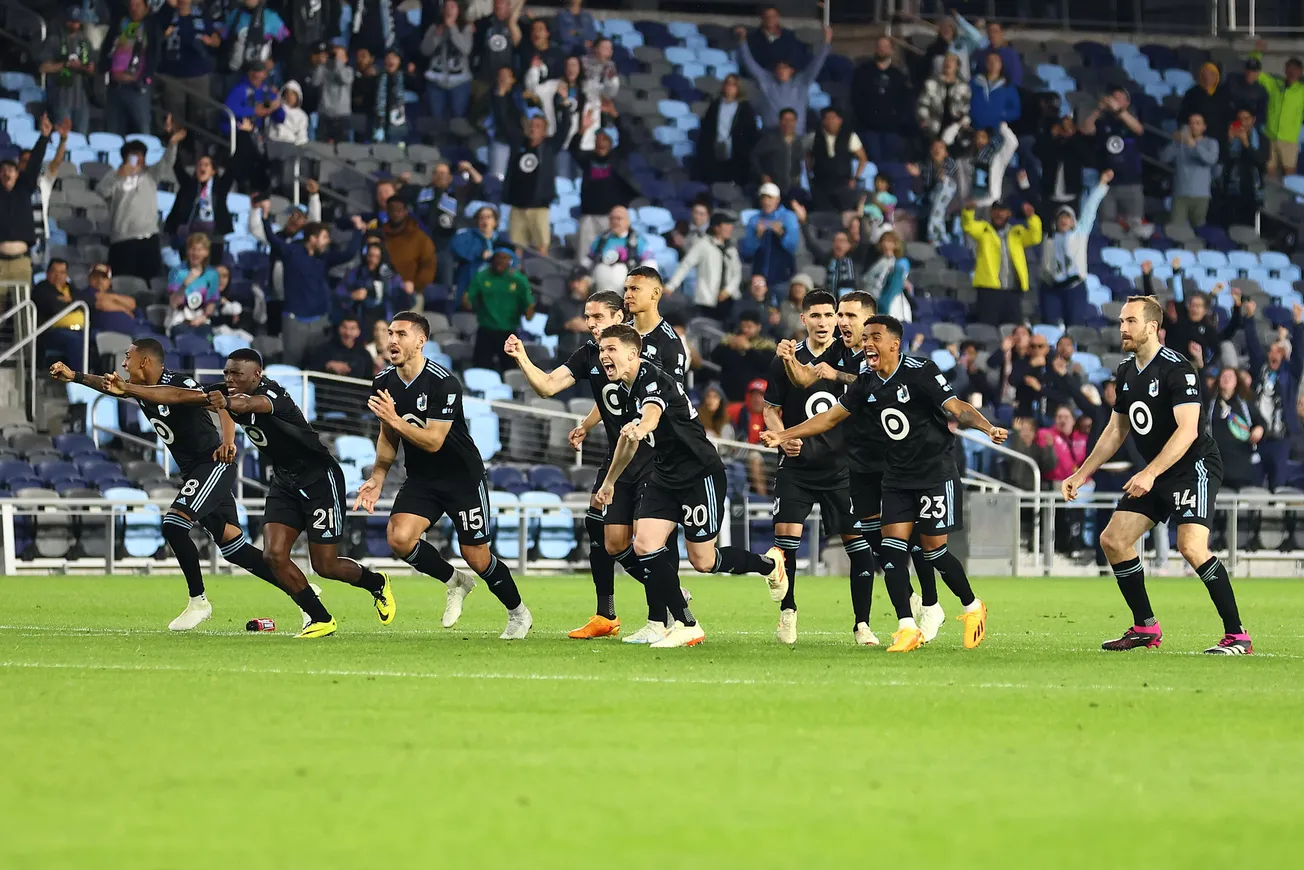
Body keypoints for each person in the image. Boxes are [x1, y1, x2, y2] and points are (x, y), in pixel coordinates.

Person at [763, 314, 1006, 652]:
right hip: (897, 477)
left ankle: (972, 605)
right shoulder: (866, 382)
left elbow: (957, 408)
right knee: (891, 551)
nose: (867, 344)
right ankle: (906, 626)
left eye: (874, 337)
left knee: (934, 552)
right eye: (865, 339)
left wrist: (988, 427)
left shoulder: (921, 371)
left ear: (894, 343)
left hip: (934, 473)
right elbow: (829, 418)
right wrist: (783, 434)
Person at [49, 342, 312, 633]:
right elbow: (110, 386)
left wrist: (228, 442)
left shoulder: (179, 384)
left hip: (213, 465)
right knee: (234, 549)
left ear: (145, 362)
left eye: (128, 357)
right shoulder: (140, 388)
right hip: (194, 472)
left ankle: (198, 602)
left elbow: (221, 403)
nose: (124, 363)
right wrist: (74, 376)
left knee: (174, 525)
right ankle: (303, 593)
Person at [1062, 295, 1251, 655]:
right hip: (1157, 471)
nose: (1122, 328)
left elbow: (1188, 430)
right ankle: (1145, 627)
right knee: (1114, 540)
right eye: (1121, 321)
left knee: (1191, 546)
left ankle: (1237, 635)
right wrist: (1083, 473)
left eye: (1130, 321)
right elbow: (1116, 430)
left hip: (1193, 466)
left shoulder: (1178, 369)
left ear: (1152, 327)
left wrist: (1149, 472)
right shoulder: (1126, 371)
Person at [594, 324, 787, 649]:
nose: (603, 356)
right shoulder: (625, 389)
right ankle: (686, 624)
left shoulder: (652, 379)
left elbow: (651, 416)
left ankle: (769, 564)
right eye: (601, 350)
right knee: (645, 546)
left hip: (700, 474)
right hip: (664, 475)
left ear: (632, 353)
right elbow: (628, 440)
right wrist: (610, 481)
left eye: (611, 349)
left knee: (703, 561)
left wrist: (642, 428)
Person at [355, 312, 530, 637]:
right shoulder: (383, 382)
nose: (392, 340)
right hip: (423, 478)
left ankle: (518, 613)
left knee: (477, 556)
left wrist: (394, 419)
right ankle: (455, 581)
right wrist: (378, 476)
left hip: (461, 477)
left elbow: (433, 441)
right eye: (390, 333)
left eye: (401, 334)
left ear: (421, 341)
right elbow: (388, 434)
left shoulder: (443, 382)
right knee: (399, 538)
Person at [778, 292, 939, 643]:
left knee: (912, 538)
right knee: (880, 540)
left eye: (850, 316)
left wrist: (838, 375)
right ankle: (906, 605)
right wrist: (790, 360)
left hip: (897, 459)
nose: (841, 322)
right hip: (860, 463)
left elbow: (876, 384)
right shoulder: (839, 350)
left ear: (870, 322)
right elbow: (806, 380)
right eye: (840, 315)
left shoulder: (877, 356)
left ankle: (929, 603)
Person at [502, 290, 638, 636]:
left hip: (652, 455)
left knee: (649, 537)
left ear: (619, 318)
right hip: (618, 453)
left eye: (598, 317)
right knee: (597, 525)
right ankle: (606, 615)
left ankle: (669, 602)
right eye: (587, 317)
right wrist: (522, 358)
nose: (590, 323)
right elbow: (548, 387)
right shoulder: (589, 354)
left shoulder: (640, 352)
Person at [762, 290, 869, 644]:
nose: (824, 322)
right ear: (803, 319)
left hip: (842, 467)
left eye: (830, 315)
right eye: (816, 315)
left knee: (859, 547)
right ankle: (788, 613)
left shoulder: (851, 355)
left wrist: (838, 374)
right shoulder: (786, 358)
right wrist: (783, 439)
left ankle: (862, 624)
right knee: (786, 545)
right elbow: (769, 409)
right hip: (798, 466)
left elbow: (867, 386)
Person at [260, 201, 366, 366]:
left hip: (319, 322)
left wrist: (358, 231)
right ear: (313, 238)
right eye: (324, 237)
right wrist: (265, 216)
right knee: (292, 364)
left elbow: (349, 254)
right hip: (294, 321)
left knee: (317, 364)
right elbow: (272, 238)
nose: (327, 242)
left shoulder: (325, 258)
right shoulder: (292, 252)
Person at [98, 127, 184, 281]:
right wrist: (119, 175)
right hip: (123, 239)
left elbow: (167, 162)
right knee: (123, 281)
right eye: (134, 155)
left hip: (149, 238)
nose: (138, 159)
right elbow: (102, 191)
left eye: (141, 155)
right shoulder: (113, 176)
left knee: (149, 281)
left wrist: (172, 144)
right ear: (125, 157)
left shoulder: (151, 174)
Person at [496, 93, 571, 255]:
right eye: (531, 125)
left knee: (541, 247)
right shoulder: (518, 143)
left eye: (538, 126)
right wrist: (501, 97)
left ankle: (541, 271)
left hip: (539, 207)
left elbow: (564, 128)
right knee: (516, 248)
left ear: (544, 130)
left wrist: (564, 105)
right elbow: (504, 121)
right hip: (517, 206)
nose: (533, 128)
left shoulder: (550, 146)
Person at [1242, 299, 1304, 490]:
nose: (1274, 353)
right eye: (1272, 350)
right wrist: (1249, 317)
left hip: (1281, 439)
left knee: (1278, 484)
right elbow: (1252, 345)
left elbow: (1299, 352)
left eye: (1279, 351)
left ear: (1285, 356)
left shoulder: (1290, 373)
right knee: (1255, 483)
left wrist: (1298, 323)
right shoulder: (1261, 368)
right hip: (1259, 437)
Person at [1040, 170, 1112, 326]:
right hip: (1052, 287)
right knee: (1050, 327)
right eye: (1061, 217)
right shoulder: (1049, 237)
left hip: (1075, 287)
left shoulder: (1080, 233)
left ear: (1073, 221)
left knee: (1074, 327)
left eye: (1068, 217)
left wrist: (1101, 184)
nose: (1064, 220)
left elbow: (1090, 208)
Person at [734, 25, 831, 134]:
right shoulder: (767, 80)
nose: (781, 71)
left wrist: (826, 43)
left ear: (792, 70)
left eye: (785, 68)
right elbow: (750, 64)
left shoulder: (802, 82)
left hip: (796, 136)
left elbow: (816, 65)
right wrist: (742, 41)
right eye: (778, 68)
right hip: (771, 136)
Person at [962, 198, 1042, 326]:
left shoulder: (1017, 232)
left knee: (1012, 329)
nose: (998, 214)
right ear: (991, 212)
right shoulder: (983, 229)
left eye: (1002, 211)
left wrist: (1032, 218)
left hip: (1013, 291)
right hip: (989, 290)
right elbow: (968, 226)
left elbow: (1035, 237)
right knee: (988, 328)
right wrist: (968, 211)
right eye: (996, 210)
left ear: (1009, 213)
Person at [1082, 87, 1147, 236]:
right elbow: (1086, 130)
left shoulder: (1132, 119)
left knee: (1135, 225)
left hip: (1131, 182)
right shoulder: (1103, 121)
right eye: (1113, 98)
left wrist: (1119, 111)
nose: (1114, 102)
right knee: (1108, 226)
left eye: (1118, 99)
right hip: (1108, 183)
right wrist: (1098, 109)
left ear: (1127, 102)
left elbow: (1139, 129)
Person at [464, 245, 534, 371]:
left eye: (505, 258)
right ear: (493, 259)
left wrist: (529, 310)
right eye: (498, 257)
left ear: (511, 261)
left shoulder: (519, 279)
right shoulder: (481, 276)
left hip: (509, 332)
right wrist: (467, 301)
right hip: (486, 330)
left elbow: (528, 305)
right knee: (481, 368)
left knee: (510, 370)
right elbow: (469, 298)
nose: (501, 261)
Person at [0, 115, 51, 286]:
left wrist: (44, 137)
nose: (7, 173)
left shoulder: (25, 188)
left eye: (11, 170)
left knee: (22, 301)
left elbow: (34, 162)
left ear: (18, 174)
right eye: (3, 170)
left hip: (21, 262)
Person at [101, 0, 161, 135]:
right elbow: (107, 47)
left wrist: (146, 78)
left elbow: (155, 54)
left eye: (138, 5)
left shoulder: (151, 25)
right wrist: (103, 67)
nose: (133, 9)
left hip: (137, 88)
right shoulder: (120, 23)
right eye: (131, 5)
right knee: (112, 132)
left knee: (142, 129)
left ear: (146, 8)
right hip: (115, 86)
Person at [666, 212, 741, 320]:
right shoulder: (703, 244)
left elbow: (737, 273)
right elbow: (686, 265)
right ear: (717, 227)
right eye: (727, 225)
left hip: (730, 299)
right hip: (708, 299)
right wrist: (671, 286)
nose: (731, 228)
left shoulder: (731, 248)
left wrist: (728, 290)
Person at [850, 38, 911, 164]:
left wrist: (896, 121)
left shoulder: (899, 75)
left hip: (892, 130)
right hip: (868, 128)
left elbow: (905, 103)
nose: (882, 49)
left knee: (892, 163)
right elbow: (856, 100)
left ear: (892, 50)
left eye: (885, 46)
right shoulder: (862, 72)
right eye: (879, 46)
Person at [165, 154, 234, 263]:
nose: (202, 167)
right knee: (189, 267)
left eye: (206, 165)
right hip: (191, 233)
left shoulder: (220, 187)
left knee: (212, 268)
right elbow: (177, 166)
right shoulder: (188, 185)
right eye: (199, 165)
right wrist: (173, 146)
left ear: (213, 171)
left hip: (214, 234)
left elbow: (233, 169)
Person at [1206, 367, 1265, 491]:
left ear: (1237, 381)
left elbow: (1261, 422)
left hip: (1241, 464)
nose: (1226, 379)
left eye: (1230, 377)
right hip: (1216, 464)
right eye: (1223, 376)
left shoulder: (1245, 402)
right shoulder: (1210, 403)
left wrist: (1259, 430)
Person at [695, 74, 759, 187]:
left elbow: (750, 133)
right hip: (715, 152)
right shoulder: (715, 105)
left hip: (736, 155)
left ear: (738, 88)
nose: (729, 87)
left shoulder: (745, 108)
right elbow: (707, 129)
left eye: (733, 85)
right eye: (728, 83)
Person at [1251, 42, 1304, 178]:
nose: (1292, 72)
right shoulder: (1274, 84)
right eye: (1290, 69)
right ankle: (1271, 193)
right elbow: (1255, 72)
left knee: (1289, 174)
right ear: (1285, 69)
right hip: (1270, 137)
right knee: (1270, 173)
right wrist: (1257, 53)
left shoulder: (1301, 91)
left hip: (1289, 140)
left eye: (1296, 70)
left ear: (1300, 72)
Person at [40, 8, 96, 135]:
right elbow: (43, 67)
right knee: (62, 136)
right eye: (71, 21)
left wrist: (81, 67)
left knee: (81, 137)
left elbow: (92, 69)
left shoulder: (85, 42)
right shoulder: (55, 40)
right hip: (61, 98)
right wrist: (65, 64)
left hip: (82, 99)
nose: (74, 24)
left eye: (76, 21)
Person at [420, 0, 474, 131]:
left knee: (458, 119)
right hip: (436, 80)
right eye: (447, 7)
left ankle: (457, 143)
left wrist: (452, 28)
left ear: (458, 10)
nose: (449, 10)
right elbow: (424, 50)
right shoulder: (435, 27)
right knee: (436, 120)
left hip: (459, 81)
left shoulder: (466, 28)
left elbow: (466, 49)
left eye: (453, 6)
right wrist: (436, 36)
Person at [1160, 114, 1219, 228]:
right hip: (1180, 194)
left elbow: (1211, 160)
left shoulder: (1211, 143)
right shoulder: (1179, 143)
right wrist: (1175, 142)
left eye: (1197, 123)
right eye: (1191, 123)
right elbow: (1164, 158)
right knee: (1176, 230)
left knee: (1199, 230)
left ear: (1204, 127)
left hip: (1201, 195)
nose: (1193, 126)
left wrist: (1193, 144)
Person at [807, 107, 868, 214]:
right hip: (820, 183)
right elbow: (808, 156)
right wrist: (809, 174)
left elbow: (863, 158)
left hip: (843, 183)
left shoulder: (850, 136)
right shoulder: (813, 137)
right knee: (823, 214)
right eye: (827, 118)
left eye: (833, 118)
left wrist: (855, 178)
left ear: (840, 120)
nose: (830, 121)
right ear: (823, 121)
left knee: (845, 213)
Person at [1216, 107, 1270, 227]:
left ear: (1253, 120)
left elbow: (1261, 160)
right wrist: (1229, 141)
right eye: (1240, 119)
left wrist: (1246, 144)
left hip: (1253, 189)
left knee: (1249, 226)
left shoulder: (1262, 139)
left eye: (1246, 119)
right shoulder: (1229, 135)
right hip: (1233, 187)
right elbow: (1221, 159)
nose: (1243, 122)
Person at [30, 258, 90, 368]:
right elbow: (53, 307)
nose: (58, 276)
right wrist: (73, 303)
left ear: (66, 275)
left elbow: (86, 300)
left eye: (62, 272)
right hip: (52, 332)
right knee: (75, 341)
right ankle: (79, 376)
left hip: (81, 330)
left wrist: (68, 301)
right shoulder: (41, 288)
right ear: (47, 273)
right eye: (54, 271)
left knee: (100, 338)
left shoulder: (70, 288)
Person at [380, 197, 436, 311]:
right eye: (392, 210)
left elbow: (429, 266)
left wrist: (415, 284)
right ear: (387, 212)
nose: (396, 213)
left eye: (399, 210)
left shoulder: (420, 238)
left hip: (411, 294)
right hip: (382, 293)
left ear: (406, 211)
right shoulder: (380, 236)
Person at [740, 183, 800, 287]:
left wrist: (782, 234)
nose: (766, 201)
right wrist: (757, 236)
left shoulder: (789, 217)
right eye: (763, 198)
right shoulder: (754, 219)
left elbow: (793, 247)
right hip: (759, 275)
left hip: (783, 275)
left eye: (770, 198)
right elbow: (747, 251)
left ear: (777, 199)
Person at [337, 240, 404, 328]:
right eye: (370, 256)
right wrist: (352, 295)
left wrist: (407, 292)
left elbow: (400, 299)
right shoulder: (356, 273)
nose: (372, 260)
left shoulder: (391, 276)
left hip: (385, 319)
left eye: (377, 257)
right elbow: (339, 292)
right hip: (362, 317)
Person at [1034, 115, 1090, 216]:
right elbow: (1037, 151)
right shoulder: (1051, 142)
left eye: (1068, 126)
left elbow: (1087, 158)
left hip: (1071, 195)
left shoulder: (1078, 141)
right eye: (1063, 126)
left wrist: (1072, 135)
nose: (1065, 129)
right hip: (1050, 194)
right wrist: (1051, 135)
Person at [166, 233, 220, 336]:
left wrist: (202, 317)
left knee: (208, 337)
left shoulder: (212, 274)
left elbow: (211, 303)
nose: (196, 253)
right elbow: (173, 303)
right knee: (184, 336)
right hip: (179, 319)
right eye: (193, 249)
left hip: (201, 319)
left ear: (206, 252)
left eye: (200, 250)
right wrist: (185, 284)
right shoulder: (177, 272)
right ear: (187, 251)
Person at [907, 139, 960, 244]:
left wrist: (942, 178)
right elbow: (922, 187)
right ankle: (936, 232)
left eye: (940, 148)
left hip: (950, 200)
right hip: (930, 198)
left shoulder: (951, 164)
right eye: (934, 148)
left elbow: (948, 183)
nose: (937, 150)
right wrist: (916, 175)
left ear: (946, 153)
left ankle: (935, 230)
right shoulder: (924, 165)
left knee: (946, 183)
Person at [750, 109, 804, 200]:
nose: (788, 123)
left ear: (795, 122)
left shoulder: (799, 141)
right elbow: (754, 156)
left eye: (791, 120)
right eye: (785, 120)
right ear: (780, 121)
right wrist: (762, 174)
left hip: (792, 188)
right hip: (772, 187)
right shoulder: (769, 139)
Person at [917, 53, 971, 142]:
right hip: (933, 129)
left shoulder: (963, 87)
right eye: (946, 60)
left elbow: (965, 109)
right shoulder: (931, 83)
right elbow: (923, 104)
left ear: (957, 66)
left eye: (952, 60)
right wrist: (925, 121)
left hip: (954, 131)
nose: (948, 63)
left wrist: (959, 126)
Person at [860, 230, 911, 322]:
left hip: (891, 301)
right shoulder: (876, 262)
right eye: (883, 241)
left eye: (889, 241)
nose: (885, 244)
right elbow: (867, 279)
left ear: (895, 244)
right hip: (874, 297)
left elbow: (898, 282)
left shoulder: (900, 263)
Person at [1177, 62, 1230, 147]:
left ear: (1217, 76)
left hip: (1220, 138)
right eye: (1205, 74)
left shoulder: (1224, 94)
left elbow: (1229, 115)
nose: (1207, 77)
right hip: (1196, 139)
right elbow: (1183, 117)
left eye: (1211, 74)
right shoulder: (1191, 93)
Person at [312, 44, 355, 143]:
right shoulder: (323, 69)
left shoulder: (349, 71)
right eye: (334, 55)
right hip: (325, 114)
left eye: (340, 56)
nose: (336, 58)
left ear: (346, 59)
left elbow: (343, 79)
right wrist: (320, 65)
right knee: (321, 146)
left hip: (342, 115)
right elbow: (315, 82)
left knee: (343, 147)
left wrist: (338, 64)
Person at [969, 53, 1021, 135]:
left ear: (1001, 64)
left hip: (997, 131)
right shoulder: (974, 83)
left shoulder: (1008, 86)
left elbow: (1015, 110)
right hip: (974, 130)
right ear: (985, 64)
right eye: (990, 61)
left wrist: (1000, 114)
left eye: (996, 61)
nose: (993, 64)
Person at [746, 5, 809, 72]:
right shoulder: (753, 38)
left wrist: (788, 69)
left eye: (773, 17)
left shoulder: (789, 36)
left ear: (778, 18)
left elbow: (796, 56)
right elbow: (753, 61)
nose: (770, 19)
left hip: (788, 72)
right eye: (767, 17)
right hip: (764, 73)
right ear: (762, 18)